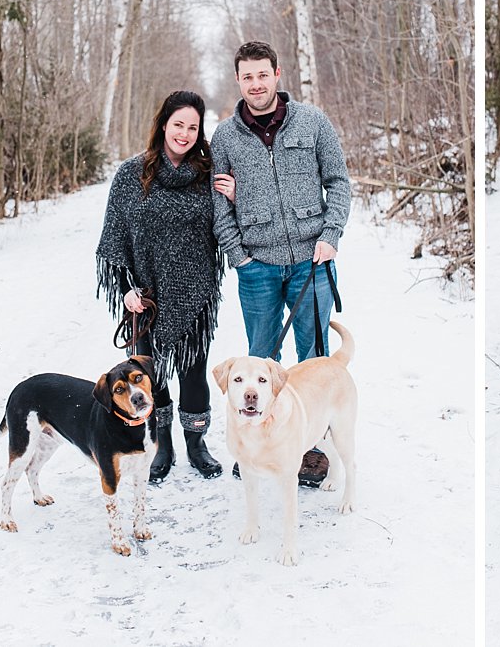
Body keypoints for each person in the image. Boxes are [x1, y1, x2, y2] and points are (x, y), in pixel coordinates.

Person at [210, 40, 352, 484]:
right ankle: (255, 442)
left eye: (262, 74)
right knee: (259, 360)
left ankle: (309, 449)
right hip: (258, 267)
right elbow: (218, 205)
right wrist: (240, 257)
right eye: (247, 77)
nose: (256, 84)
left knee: (314, 359)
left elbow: (339, 181)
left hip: (312, 261)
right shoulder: (225, 137)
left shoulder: (312, 123)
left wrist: (330, 237)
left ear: (277, 73)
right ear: (238, 80)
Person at [97, 90, 225, 482]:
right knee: (149, 376)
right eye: (178, 125)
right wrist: (125, 289)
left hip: (194, 294)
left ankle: (196, 444)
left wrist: (235, 197)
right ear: (163, 125)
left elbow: (224, 224)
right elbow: (114, 238)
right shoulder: (131, 175)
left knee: (192, 371)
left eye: (192, 127)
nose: (184, 134)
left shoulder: (207, 175)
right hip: (143, 298)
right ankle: (161, 444)